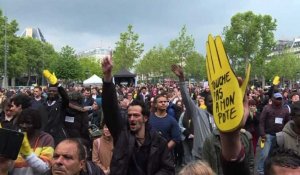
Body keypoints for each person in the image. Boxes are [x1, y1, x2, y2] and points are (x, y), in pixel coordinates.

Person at [101, 54, 175, 175]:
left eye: (136, 115)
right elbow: (110, 110)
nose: (131, 118)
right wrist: (108, 78)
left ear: (145, 118)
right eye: (129, 115)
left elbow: (168, 169)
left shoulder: (158, 141)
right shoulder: (122, 136)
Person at [171, 64, 214, 160]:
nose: (213, 103)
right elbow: (187, 99)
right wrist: (182, 79)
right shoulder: (199, 113)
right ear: (205, 103)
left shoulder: (222, 117)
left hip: (216, 156)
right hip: (200, 156)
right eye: (210, 101)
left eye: (215, 101)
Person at [11, 108, 54, 175]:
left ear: (36, 123)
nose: (24, 126)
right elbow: (7, 167)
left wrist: (28, 154)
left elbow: (45, 168)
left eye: (28, 123)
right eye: (22, 123)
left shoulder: (46, 139)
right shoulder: (16, 137)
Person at [257, 92, 290, 174]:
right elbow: (261, 121)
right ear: (273, 99)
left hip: (279, 136)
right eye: (277, 99)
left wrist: (285, 133)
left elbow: (287, 122)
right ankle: (260, 171)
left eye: (280, 99)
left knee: (276, 155)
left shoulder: (285, 110)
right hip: (267, 135)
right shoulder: (267, 108)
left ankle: (272, 171)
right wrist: (262, 134)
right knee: (264, 154)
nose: (279, 100)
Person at [42, 70, 69, 145]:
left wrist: (58, 85)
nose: (52, 93)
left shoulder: (61, 103)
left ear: (58, 92)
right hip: (45, 135)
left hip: (57, 135)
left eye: (54, 91)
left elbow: (66, 97)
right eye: (50, 91)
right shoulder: (43, 103)